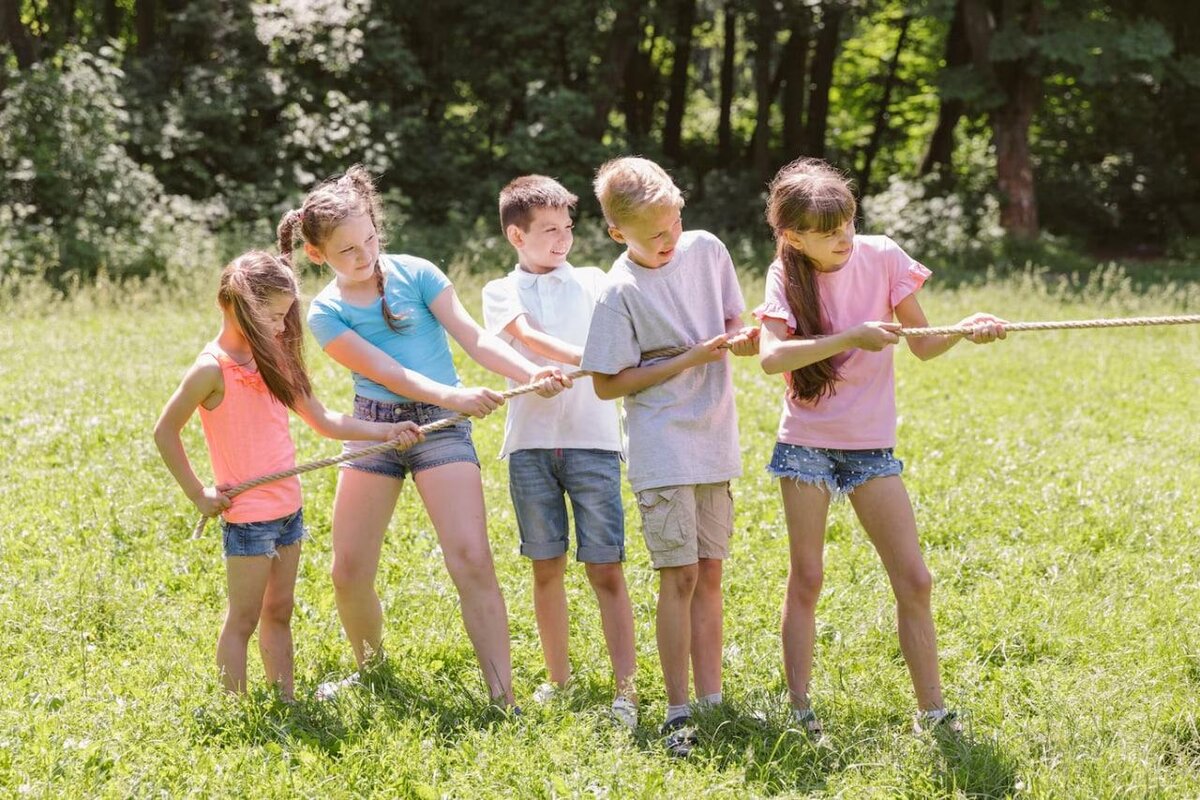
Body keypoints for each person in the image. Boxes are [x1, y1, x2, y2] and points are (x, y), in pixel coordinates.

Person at [278, 166, 568, 706]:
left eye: (369, 240)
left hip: (440, 430)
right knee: (348, 570)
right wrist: (454, 395)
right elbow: (390, 374)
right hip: (375, 427)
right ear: (318, 255)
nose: (364, 255)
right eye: (346, 251)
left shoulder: (417, 273)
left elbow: (475, 339)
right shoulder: (326, 312)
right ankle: (371, 670)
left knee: (470, 557)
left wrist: (528, 375)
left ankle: (501, 697)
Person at [754, 157, 1006, 737]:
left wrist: (967, 329)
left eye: (847, 222)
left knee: (915, 579)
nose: (843, 237)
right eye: (827, 231)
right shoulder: (784, 275)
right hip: (808, 444)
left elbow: (922, 343)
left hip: (870, 447)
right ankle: (798, 710)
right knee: (808, 576)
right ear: (793, 236)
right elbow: (771, 357)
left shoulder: (883, 254)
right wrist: (849, 337)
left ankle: (933, 713)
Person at [154, 251, 423, 701]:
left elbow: (323, 419)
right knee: (244, 617)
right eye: (273, 317)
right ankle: (234, 708)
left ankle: (286, 699)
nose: (281, 328)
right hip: (248, 517)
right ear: (236, 306)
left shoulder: (274, 359)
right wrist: (198, 493)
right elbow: (165, 432)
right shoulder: (211, 369)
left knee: (280, 610)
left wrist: (386, 430)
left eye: (284, 316)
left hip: (288, 510)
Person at [580, 157, 758, 756]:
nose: (669, 240)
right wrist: (691, 357)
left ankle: (713, 701)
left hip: (715, 436)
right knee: (678, 574)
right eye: (654, 235)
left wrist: (744, 336)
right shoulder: (619, 291)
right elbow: (607, 383)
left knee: (710, 572)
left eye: (674, 224)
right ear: (617, 233)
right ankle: (677, 710)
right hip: (661, 445)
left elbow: (734, 319)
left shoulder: (707, 250)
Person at [481, 175, 637, 727]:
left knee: (606, 568)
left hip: (593, 443)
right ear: (516, 235)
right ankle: (558, 680)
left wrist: (596, 360)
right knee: (545, 566)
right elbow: (521, 336)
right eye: (549, 230)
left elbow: (628, 327)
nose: (562, 239)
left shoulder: (595, 280)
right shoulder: (501, 290)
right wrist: (580, 360)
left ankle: (626, 691)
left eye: (567, 227)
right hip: (530, 449)